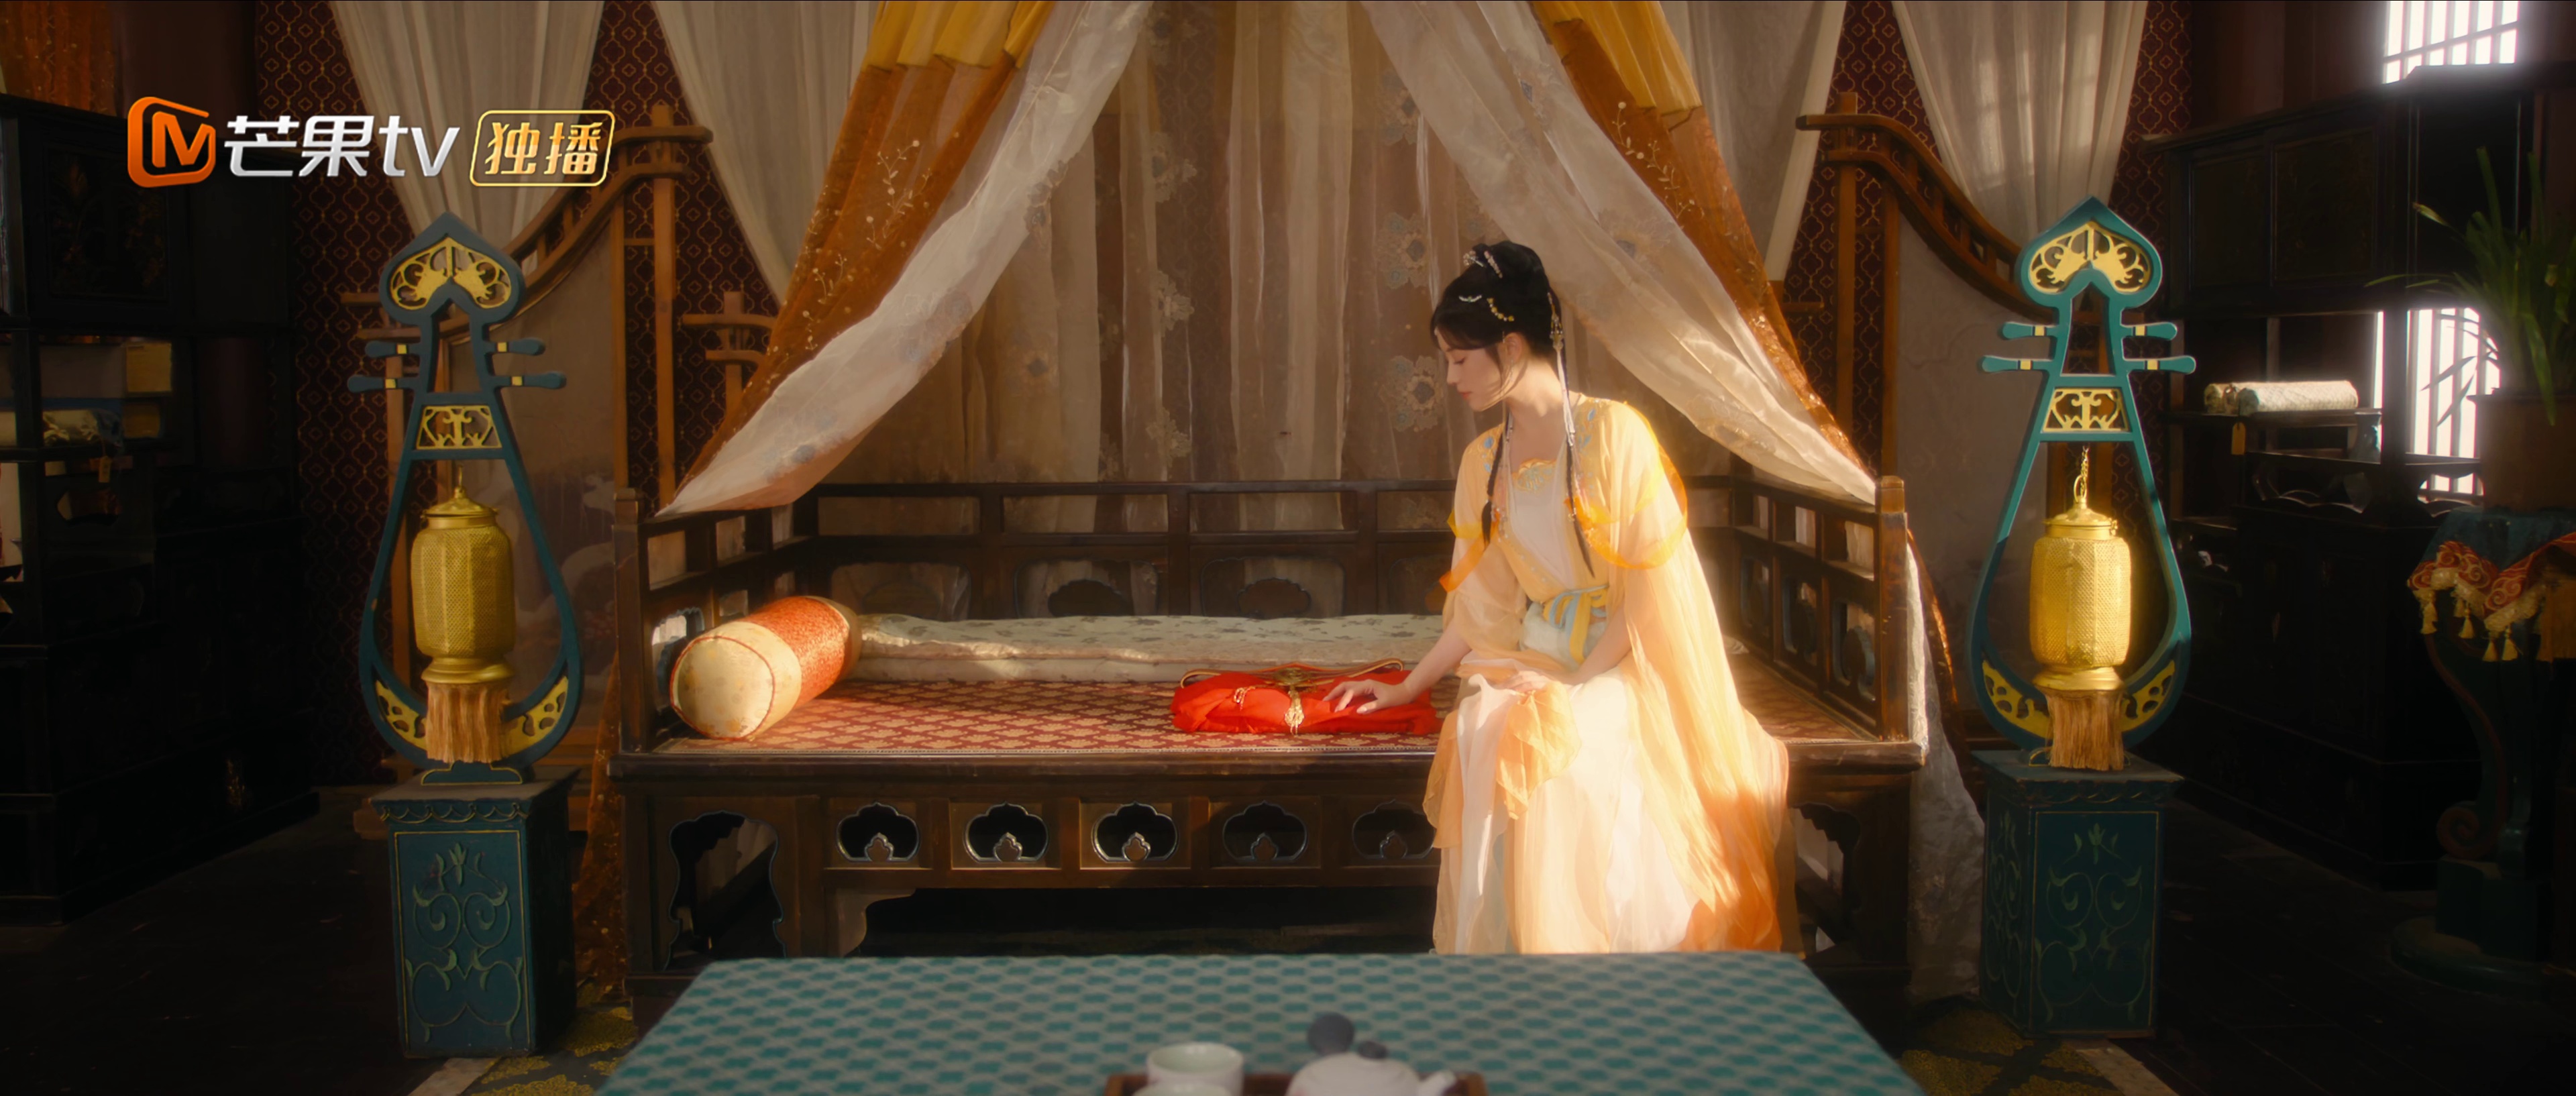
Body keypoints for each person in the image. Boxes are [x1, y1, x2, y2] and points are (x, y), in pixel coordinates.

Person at [1325, 242, 1786, 953]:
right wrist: (1409, 685)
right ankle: (1509, 971)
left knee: (1558, 751)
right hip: (1536, 655)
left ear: (1511, 347)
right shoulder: (1484, 461)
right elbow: (1483, 607)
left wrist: (1572, 686)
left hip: (1624, 660)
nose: (1450, 378)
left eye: (1460, 359)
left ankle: (1589, 968)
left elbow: (1648, 600)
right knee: (1486, 726)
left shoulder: (1616, 435)